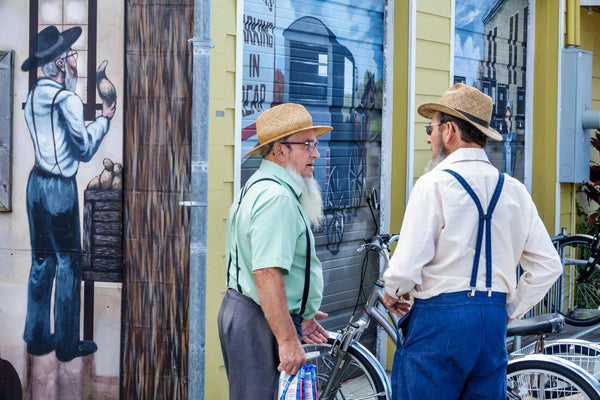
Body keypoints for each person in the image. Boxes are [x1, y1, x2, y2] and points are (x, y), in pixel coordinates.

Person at [382, 83, 563, 400]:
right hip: (491, 322)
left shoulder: (433, 184)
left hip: (438, 322)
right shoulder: (514, 190)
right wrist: (510, 308)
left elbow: (407, 266)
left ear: (449, 130)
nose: (429, 136)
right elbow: (549, 265)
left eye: (432, 127)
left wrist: (393, 291)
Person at [218, 103, 331, 399]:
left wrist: (302, 311)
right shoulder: (276, 198)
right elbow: (266, 273)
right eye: (307, 145)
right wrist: (287, 339)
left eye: (315, 144)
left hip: (256, 315)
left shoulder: (260, 186)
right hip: (258, 322)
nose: (315, 154)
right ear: (280, 151)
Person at [21, 25, 116, 362]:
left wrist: (72, 85)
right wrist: (104, 120)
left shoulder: (35, 96)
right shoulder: (67, 101)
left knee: (42, 261)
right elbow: (85, 149)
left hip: (36, 185)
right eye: (72, 55)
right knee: (69, 262)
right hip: (60, 190)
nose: (76, 58)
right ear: (61, 63)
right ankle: (65, 343)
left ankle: (35, 337)